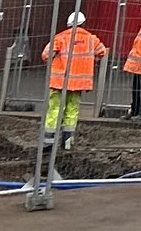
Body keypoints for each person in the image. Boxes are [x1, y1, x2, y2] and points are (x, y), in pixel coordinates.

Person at [41, 10, 107, 150]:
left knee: (54, 110)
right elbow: (102, 52)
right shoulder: (91, 39)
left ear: (68, 24)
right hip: (78, 84)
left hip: (60, 82)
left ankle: (49, 143)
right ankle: (67, 142)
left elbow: (46, 55)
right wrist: (90, 61)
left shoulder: (60, 37)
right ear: (83, 24)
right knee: (72, 110)